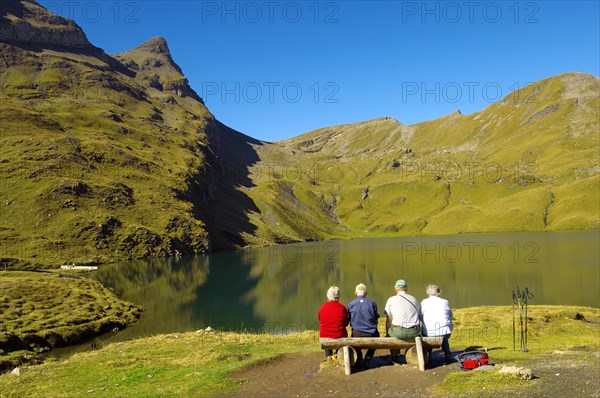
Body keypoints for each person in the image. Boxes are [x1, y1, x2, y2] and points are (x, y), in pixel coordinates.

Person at [384, 279, 421, 363]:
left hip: (398, 332)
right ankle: (409, 353)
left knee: (391, 332)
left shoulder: (391, 300)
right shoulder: (414, 299)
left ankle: (395, 356)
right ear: (406, 288)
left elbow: (388, 319)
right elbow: (419, 316)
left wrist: (387, 333)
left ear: (395, 288)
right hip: (414, 331)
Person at [348, 283, 380, 368]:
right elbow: (376, 320)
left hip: (356, 333)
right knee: (377, 336)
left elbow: (349, 320)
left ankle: (359, 357)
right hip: (371, 333)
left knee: (353, 336)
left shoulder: (351, 304)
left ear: (355, 293)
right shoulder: (372, 303)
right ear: (366, 293)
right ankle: (368, 358)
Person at [421, 284, 454, 363]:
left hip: (429, 333)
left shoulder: (424, 302)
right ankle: (447, 353)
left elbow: (420, 317)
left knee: (428, 333)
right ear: (439, 292)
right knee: (443, 334)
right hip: (444, 333)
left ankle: (428, 354)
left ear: (428, 292)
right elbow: (450, 315)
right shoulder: (445, 302)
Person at [318, 286, 349, 359]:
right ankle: (338, 355)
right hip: (340, 337)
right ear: (339, 296)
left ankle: (328, 357)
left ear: (328, 295)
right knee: (341, 334)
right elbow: (346, 323)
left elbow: (320, 319)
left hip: (325, 338)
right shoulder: (342, 308)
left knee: (326, 333)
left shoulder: (323, 307)